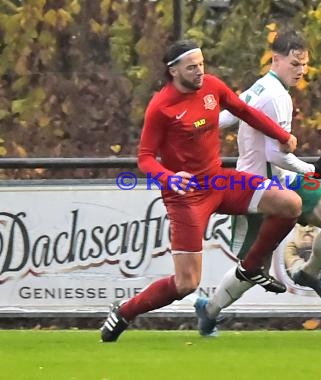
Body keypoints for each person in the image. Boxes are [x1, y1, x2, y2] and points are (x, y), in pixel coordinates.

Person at [100, 39, 303, 342]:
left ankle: (250, 267)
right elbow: (144, 158)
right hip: (186, 197)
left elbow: (244, 111)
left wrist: (281, 135)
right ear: (173, 71)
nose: (199, 72)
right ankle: (125, 312)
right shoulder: (161, 107)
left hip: (219, 181)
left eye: (202, 64)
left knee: (290, 204)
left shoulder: (211, 86)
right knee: (186, 284)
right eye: (192, 67)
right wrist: (169, 178)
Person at [194, 30, 321, 336]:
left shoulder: (261, 87)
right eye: (295, 63)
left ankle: (309, 273)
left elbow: (227, 117)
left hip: (286, 182)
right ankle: (209, 309)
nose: (301, 70)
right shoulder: (276, 95)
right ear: (276, 59)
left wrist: (195, 127)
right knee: (255, 269)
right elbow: (275, 154)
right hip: (259, 190)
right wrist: (311, 170)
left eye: (304, 64)